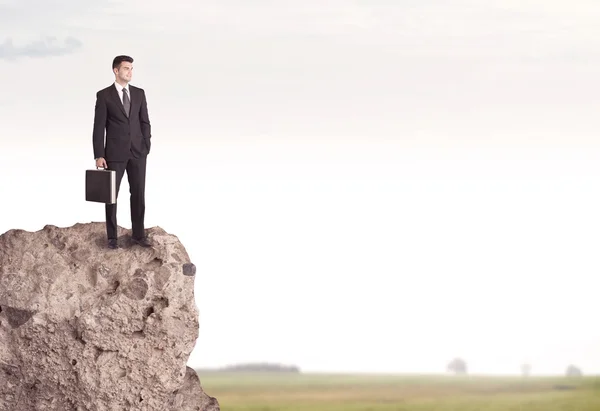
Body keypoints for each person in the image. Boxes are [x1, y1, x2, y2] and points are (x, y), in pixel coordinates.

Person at [92, 55, 152, 249]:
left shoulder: (139, 93)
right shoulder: (104, 95)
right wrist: (99, 154)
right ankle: (112, 238)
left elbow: (144, 121)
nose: (130, 72)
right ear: (116, 71)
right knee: (111, 196)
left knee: (138, 194)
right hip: (114, 154)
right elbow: (99, 127)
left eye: (132, 68)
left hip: (138, 153)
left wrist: (146, 145)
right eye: (126, 68)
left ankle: (138, 235)